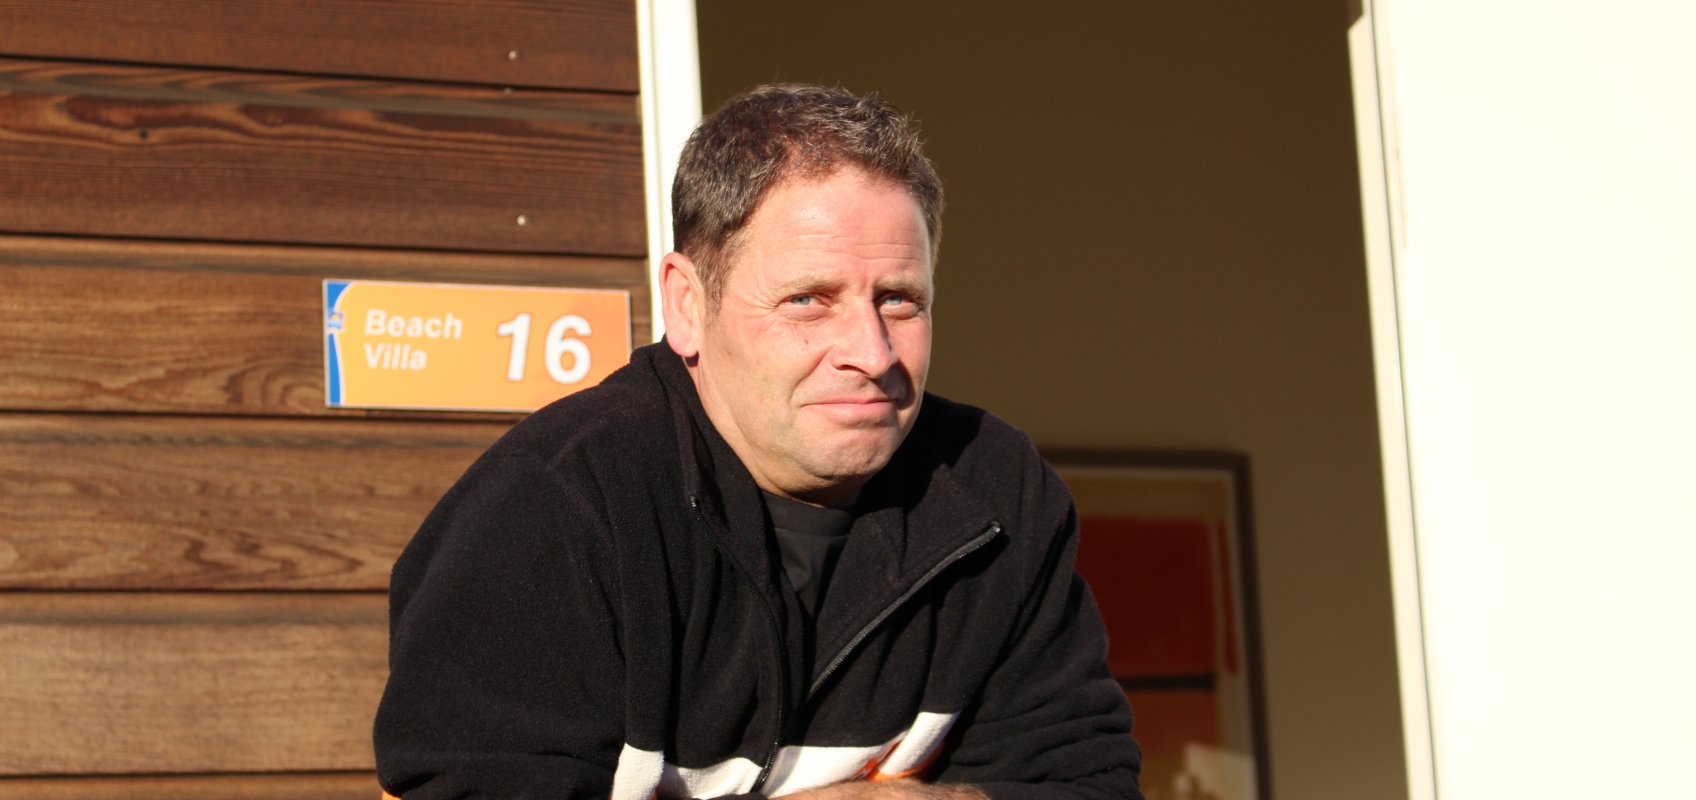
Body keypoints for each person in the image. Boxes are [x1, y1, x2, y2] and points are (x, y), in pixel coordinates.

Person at [374, 84, 1144, 800]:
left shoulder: (998, 496)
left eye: (899, 300)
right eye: (809, 300)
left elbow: (1087, 783)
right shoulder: (555, 507)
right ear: (687, 304)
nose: (871, 352)